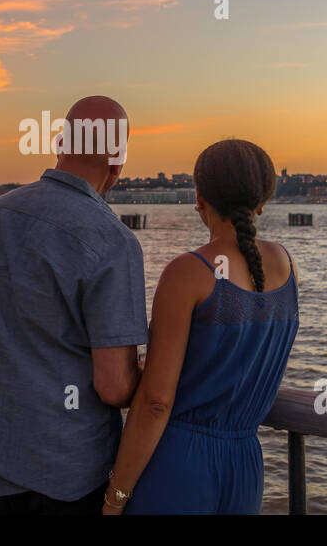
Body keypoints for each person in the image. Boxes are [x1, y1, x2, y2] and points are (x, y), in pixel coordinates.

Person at [0, 96, 148, 515]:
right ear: (118, 161)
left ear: (60, 143)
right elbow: (114, 386)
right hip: (70, 471)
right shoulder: (114, 242)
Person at [102, 138, 299, 515]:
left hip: (178, 465)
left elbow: (156, 403)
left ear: (199, 197)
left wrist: (116, 497)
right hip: (245, 465)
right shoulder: (286, 266)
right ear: (263, 201)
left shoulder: (189, 272)